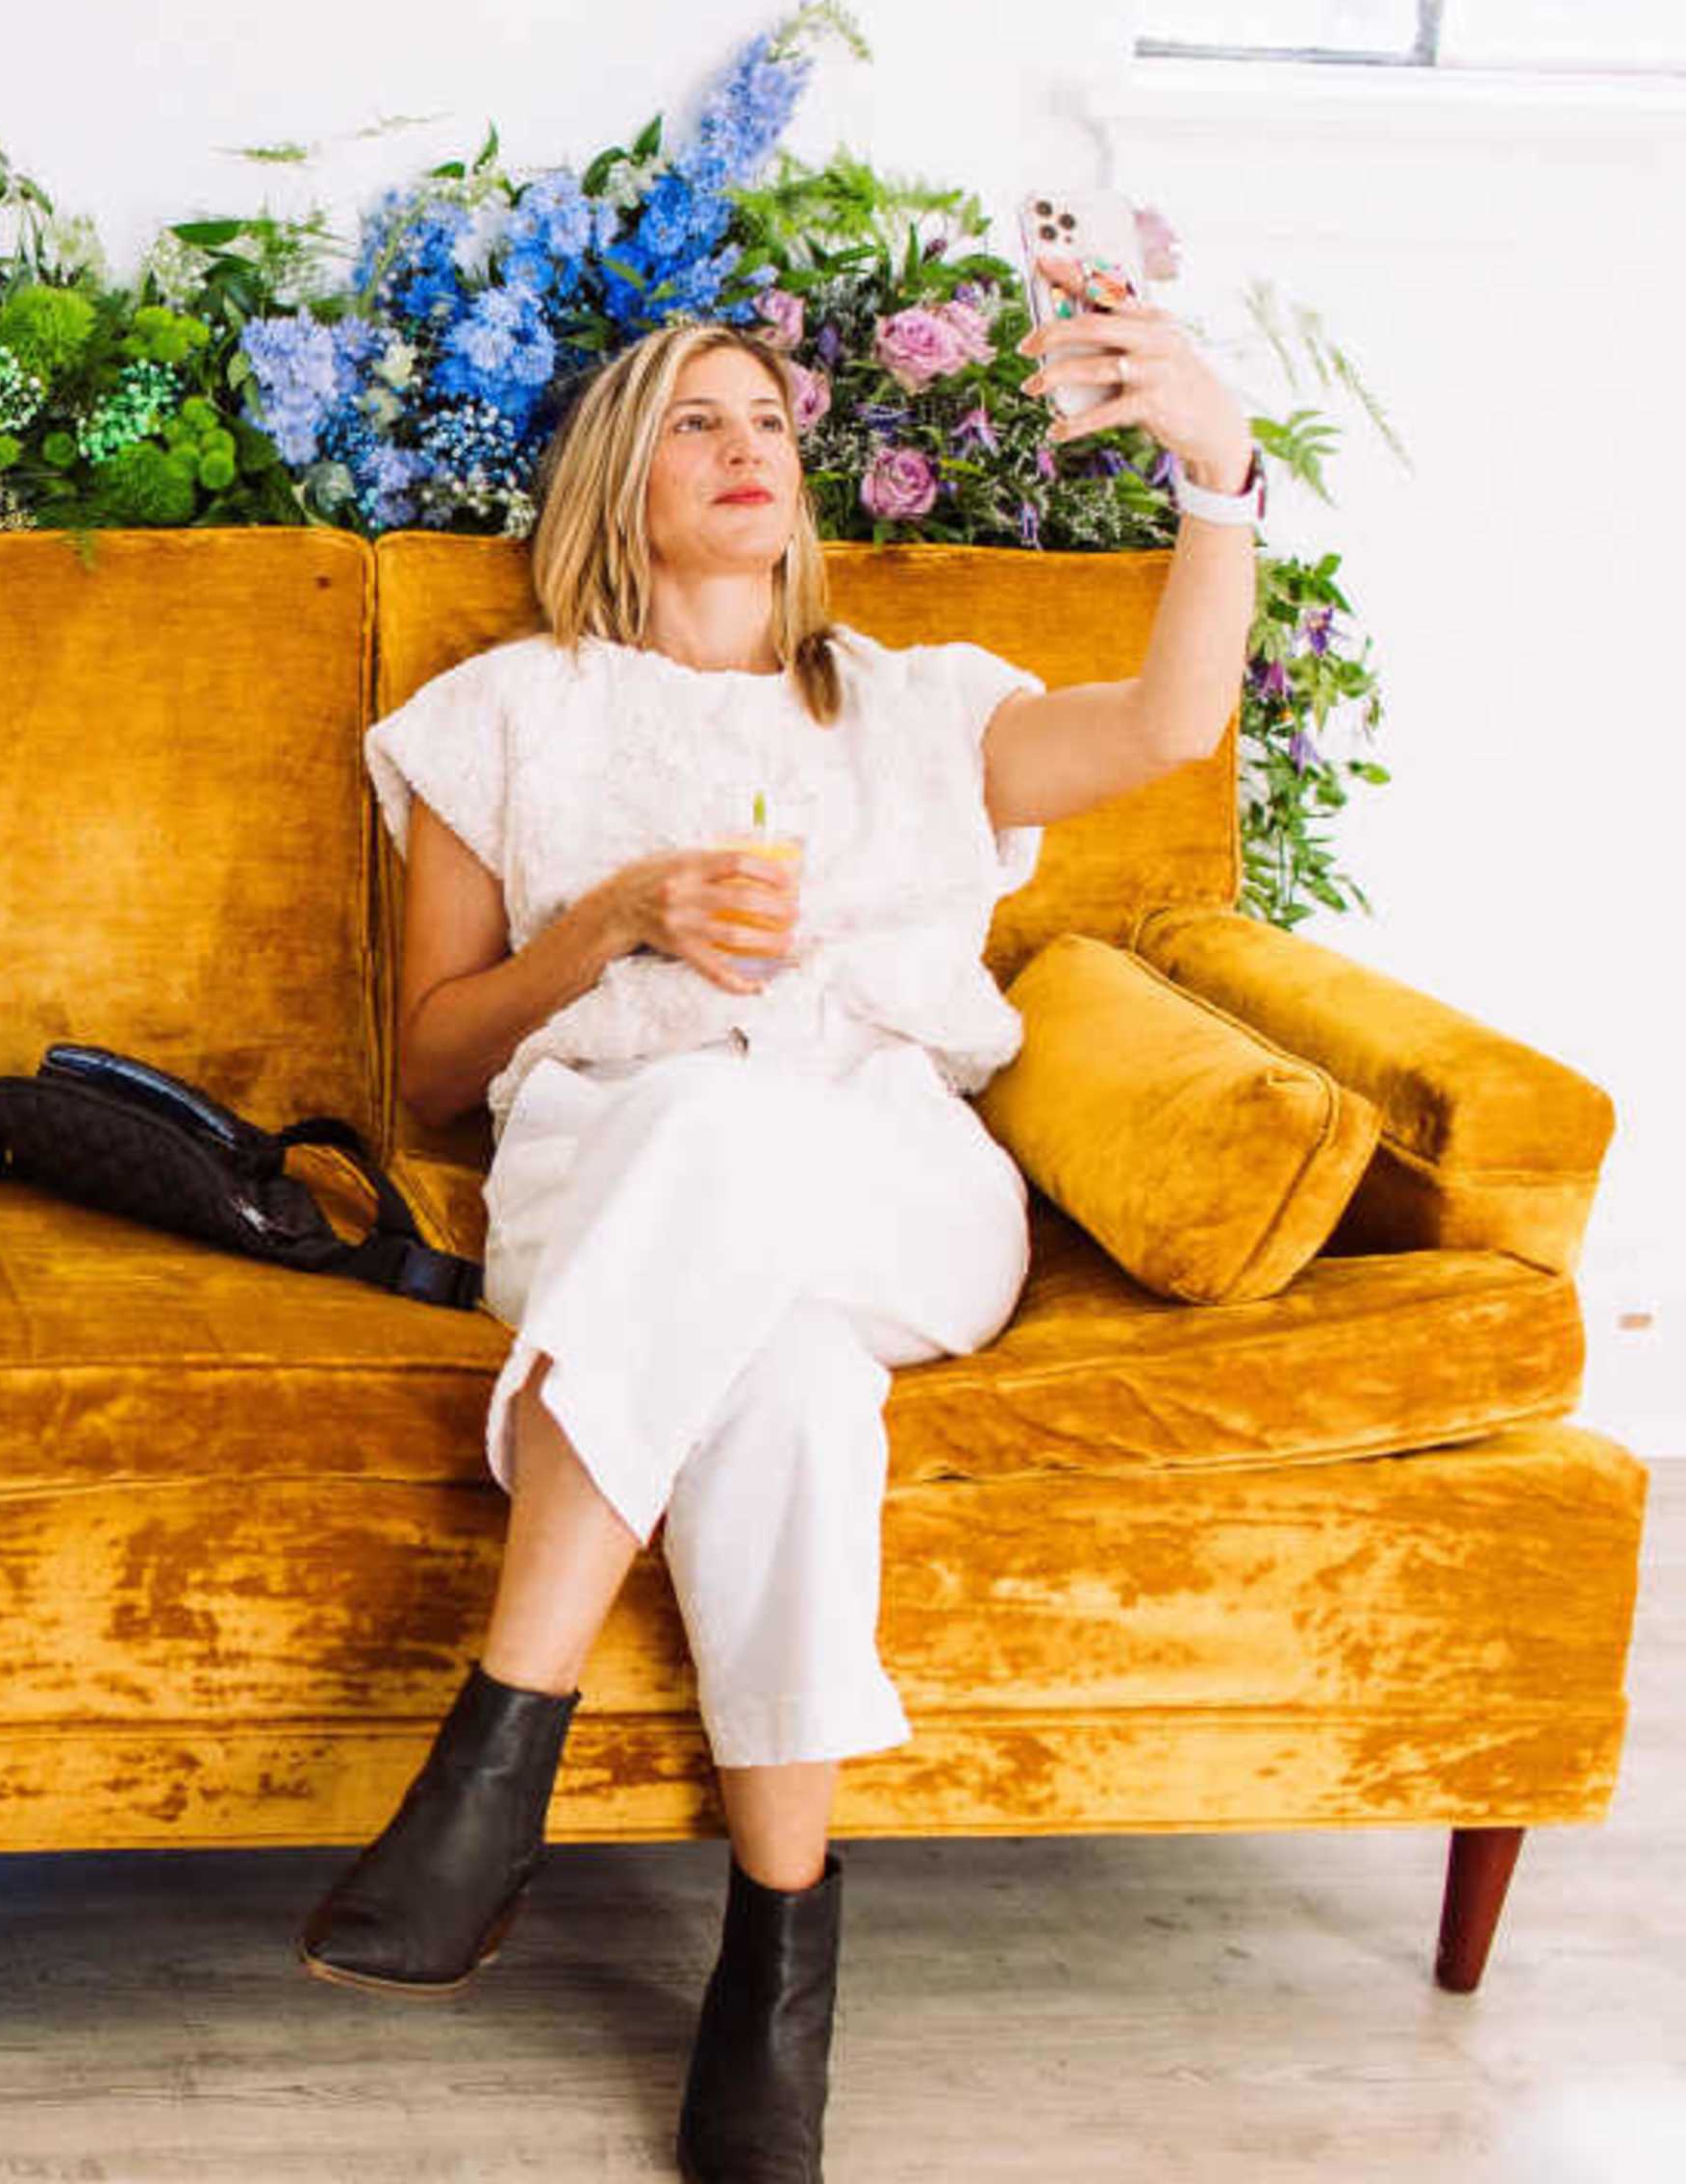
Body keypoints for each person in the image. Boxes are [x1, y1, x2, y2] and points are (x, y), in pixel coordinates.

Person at [300, 284, 1261, 2181]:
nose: (749, 445)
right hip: (610, 1182)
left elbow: (1169, 720)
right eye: (695, 419)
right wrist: (618, 923)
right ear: (611, 473)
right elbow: (425, 1071)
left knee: (760, 1135)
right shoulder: (504, 714)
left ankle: (502, 1744)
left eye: (770, 418)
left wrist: (1219, 473)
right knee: (797, 1386)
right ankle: (777, 1964)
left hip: (896, 1177)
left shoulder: (916, 705)